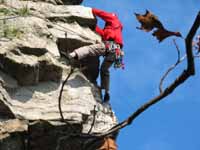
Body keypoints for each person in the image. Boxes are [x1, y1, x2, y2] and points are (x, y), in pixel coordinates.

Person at [69, 8, 124, 102]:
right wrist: (92, 27)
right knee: (104, 69)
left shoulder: (114, 19)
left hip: (111, 46)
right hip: (116, 51)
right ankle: (107, 91)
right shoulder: (112, 29)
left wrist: (92, 10)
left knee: (91, 49)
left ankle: (73, 55)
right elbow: (102, 34)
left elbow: (103, 14)